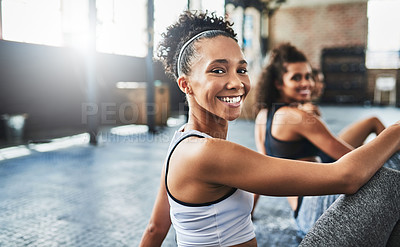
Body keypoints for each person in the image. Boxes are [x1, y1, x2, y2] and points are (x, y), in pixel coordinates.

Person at [139, 11, 400, 246]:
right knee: (386, 184)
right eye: (218, 70)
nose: (236, 82)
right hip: (315, 203)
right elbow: (347, 176)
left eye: (241, 69)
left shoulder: (181, 142)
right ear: (186, 85)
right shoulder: (207, 153)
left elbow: (155, 229)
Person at [253, 43, 397, 237]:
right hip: (315, 210)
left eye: (308, 76)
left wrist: (249, 212)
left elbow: (261, 169)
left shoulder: (264, 115)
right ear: (279, 83)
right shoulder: (299, 118)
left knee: (372, 122)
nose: (306, 83)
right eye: (296, 78)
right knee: (391, 143)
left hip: (300, 214)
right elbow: (354, 163)